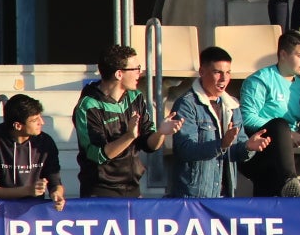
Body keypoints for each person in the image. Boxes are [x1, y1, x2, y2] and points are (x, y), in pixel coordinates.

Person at [73, 44, 177, 198]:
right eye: (135, 69)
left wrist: (161, 133)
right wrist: (129, 136)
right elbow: (99, 155)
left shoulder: (135, 97)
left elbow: (149, 144)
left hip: (132, 188)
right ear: (119, 74)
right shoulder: (88, 106)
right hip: (101, 191)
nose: (139, 73)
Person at [165, 46, 269, 199]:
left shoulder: (232, 105)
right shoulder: (186, 104)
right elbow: (185, 150)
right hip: (194, 197)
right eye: (217, 72)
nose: (224, 78)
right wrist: (221, 144)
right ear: (202, 72)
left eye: (227, 72)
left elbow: (235, 152)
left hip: (226, 195)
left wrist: (248, 147)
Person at [237, 30, 300, 198]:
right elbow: (248, 118)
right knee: (280, 124)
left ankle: (287, 185)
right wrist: (286, 133)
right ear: (283, 54)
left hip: (283, 154)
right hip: (255, 151)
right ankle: (289, 179)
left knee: (272, 198)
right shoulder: (260, 80)